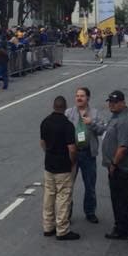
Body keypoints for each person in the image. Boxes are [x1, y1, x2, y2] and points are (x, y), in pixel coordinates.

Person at [40, 95, 79, 240]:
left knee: (49, 196)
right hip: (63, 167)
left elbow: (42, 142)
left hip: (49, 165)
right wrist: (72, 161)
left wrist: (48, 152)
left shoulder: (45, 122)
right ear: (64, 107)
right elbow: (72, 148)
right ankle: (62, 229)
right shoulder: (67, 125)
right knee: (63, 198)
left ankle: (48, 226)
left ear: (53, 106)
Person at [66, 87, 105, 224]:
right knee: (68, 185)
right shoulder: (69, 113)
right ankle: (67, 213)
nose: (79, 98)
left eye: (82, 96)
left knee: (90, 185)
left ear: (88, 98)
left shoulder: (95, 113)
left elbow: (102, 130)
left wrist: (92, 123)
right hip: (73, 154)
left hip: (88, 153)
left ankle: (90, 212)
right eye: (77, 96)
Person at [101, 90, 128, 239]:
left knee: (120, 199)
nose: (112, 105)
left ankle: (123, 229)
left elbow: (123, 147)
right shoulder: (116, 117)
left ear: (123, 103)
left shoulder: (124, 121)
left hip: (120, 167)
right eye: (110, 102)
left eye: (115, 102)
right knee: (117, 198)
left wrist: (114, 164)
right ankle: (121, 225)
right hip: (115, 166)